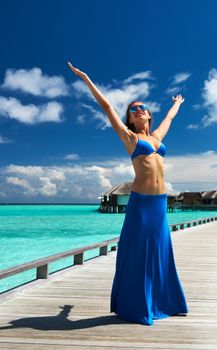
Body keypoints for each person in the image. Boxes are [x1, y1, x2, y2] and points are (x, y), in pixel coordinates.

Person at [68, 62, 188, 326]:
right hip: (141, 204)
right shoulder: (131, 139)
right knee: (138, 251)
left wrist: (177, 104)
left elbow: (169, 119)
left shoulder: (157, 138)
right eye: (133, 110)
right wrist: (86, 78)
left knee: (161, 250)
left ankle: (166, 301)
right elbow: (107, 108)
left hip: (160, 203)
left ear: (148, 115)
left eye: (142, 107)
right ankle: (137, 305)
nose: (139, 110)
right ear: (131, 119)